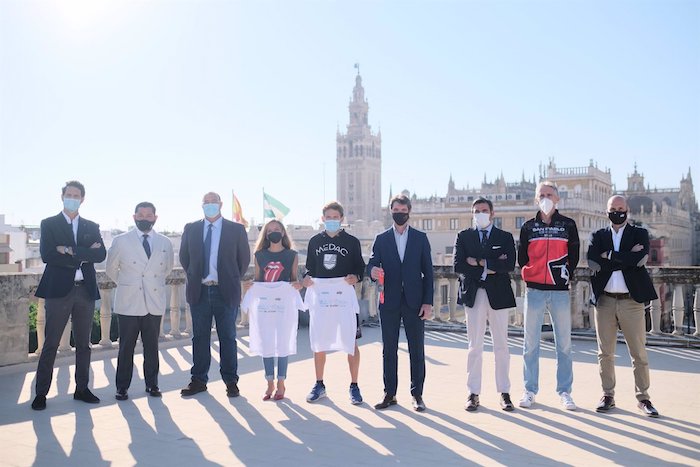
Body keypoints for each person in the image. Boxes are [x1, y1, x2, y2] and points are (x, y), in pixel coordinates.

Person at [31, 180, 106, 410]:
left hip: (84, 290)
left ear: (82, 199)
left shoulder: (91, 226)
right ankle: (41, 393)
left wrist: (69, 250)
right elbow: (47, 255)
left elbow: (101, 254)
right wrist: (84, 253)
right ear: (62, 196)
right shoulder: (49, 224)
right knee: (51, 343)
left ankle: (82, 389)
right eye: (69, 194)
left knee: (84, 344)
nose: (72, 198)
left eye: (77, 195)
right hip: (58, 291)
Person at [587, 195, 659, 417]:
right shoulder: (597, 235)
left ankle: (644, 398)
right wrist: (625, 257)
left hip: (632, 301)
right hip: (605, 301)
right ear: (606, 211)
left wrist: (609, 256)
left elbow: (639, 261)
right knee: (605, 352)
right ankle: (607, 395)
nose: (617, 212)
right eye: (612, 208)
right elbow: (592, 261)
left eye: (620, 208)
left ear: (627, 210)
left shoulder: (640, 233)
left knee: (638, 352)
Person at [179, 192, 250, 397]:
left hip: (225, 291)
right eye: (206, 202)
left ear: (220, 204)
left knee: (228, 337)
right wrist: (195, 276)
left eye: (214, 202)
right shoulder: (191, 228)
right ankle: (199, 380)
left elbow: (243, 260)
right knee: (199, 338)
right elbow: (185, 258)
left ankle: (231, 382)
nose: (210, 205)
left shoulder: (236, 229)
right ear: (202, 205)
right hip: (199, 291)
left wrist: (229, 277)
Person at [367, 194, 433, 412]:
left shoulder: (421, 238)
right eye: (396, 209)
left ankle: (417, 395)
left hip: (415, 302)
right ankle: (390, 394)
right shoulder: (381, 239)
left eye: (403, 210)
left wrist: (428, 303)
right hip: (389, 302)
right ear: (390, 211)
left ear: (409, 211)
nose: (400, 213)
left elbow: (429, 273)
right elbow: (372, 265)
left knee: (417, 349)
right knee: (389, 350)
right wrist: (373, 271)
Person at [518, 181, 579, 411]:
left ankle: (565, 392)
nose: (545, 198)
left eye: (549, 194)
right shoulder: (527, 227)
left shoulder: (568, 225)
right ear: (536, 199)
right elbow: (522, 258)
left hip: (559, 291)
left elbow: (573, 256)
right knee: (530, 344)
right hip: (534, 290)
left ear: (557, 199)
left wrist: (562, 276)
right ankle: (529, 390)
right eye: (541, 195)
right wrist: (530, 274)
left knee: (564, 344)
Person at [106, 201, 174, 401]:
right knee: (125, 347)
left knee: (152, 346)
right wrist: (128, 284)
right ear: (134, 217)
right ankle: (122, 387)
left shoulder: (164, 242)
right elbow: (111, 269)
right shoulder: (121, 240)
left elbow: (167, 268)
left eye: (149, 215)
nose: (145, 218)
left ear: (155, 217)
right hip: (129, 301)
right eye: (141, 215)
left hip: (153, 300)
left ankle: (152, 385)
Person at [454, 198, 516, 412]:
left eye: (484, 210)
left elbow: (508, 265)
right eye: (476, 211)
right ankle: (473, 392)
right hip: (474, 295)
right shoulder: (464, 236)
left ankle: (504, 392)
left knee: (502, 346)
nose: (480, 213)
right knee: (474, 347)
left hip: (498, 296)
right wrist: (491, 265)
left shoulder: (505, 237)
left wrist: (479, 262)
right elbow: (458, 265)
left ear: (492, 213)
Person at [302, 201, 365, 405]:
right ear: (323, 219)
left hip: (344, 298)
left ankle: (354, 385)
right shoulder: (314, 241)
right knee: (319, 342)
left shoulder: (352, 242)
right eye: (328, 217)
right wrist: (306, 278)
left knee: (351, 342)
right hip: (322, 299)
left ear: (341, 219)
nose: (331, 220)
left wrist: (355, 277)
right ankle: (319, 384)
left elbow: (360, 269)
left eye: (335, 217)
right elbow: (309, 268)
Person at [242, 220, 302, 401]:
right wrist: (251, 285)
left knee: (283, 343)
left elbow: (293, 279)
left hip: (284, 306)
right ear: (265, 234)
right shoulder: (259, 255)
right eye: (270, 230)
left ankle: (281, 382)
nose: (274, 232)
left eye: (277, 229)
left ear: (283, 232)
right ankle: (269, 382)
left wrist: (297, 286)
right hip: (265, 306)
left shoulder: (292, 255)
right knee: (266, 343)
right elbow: (260, 279)